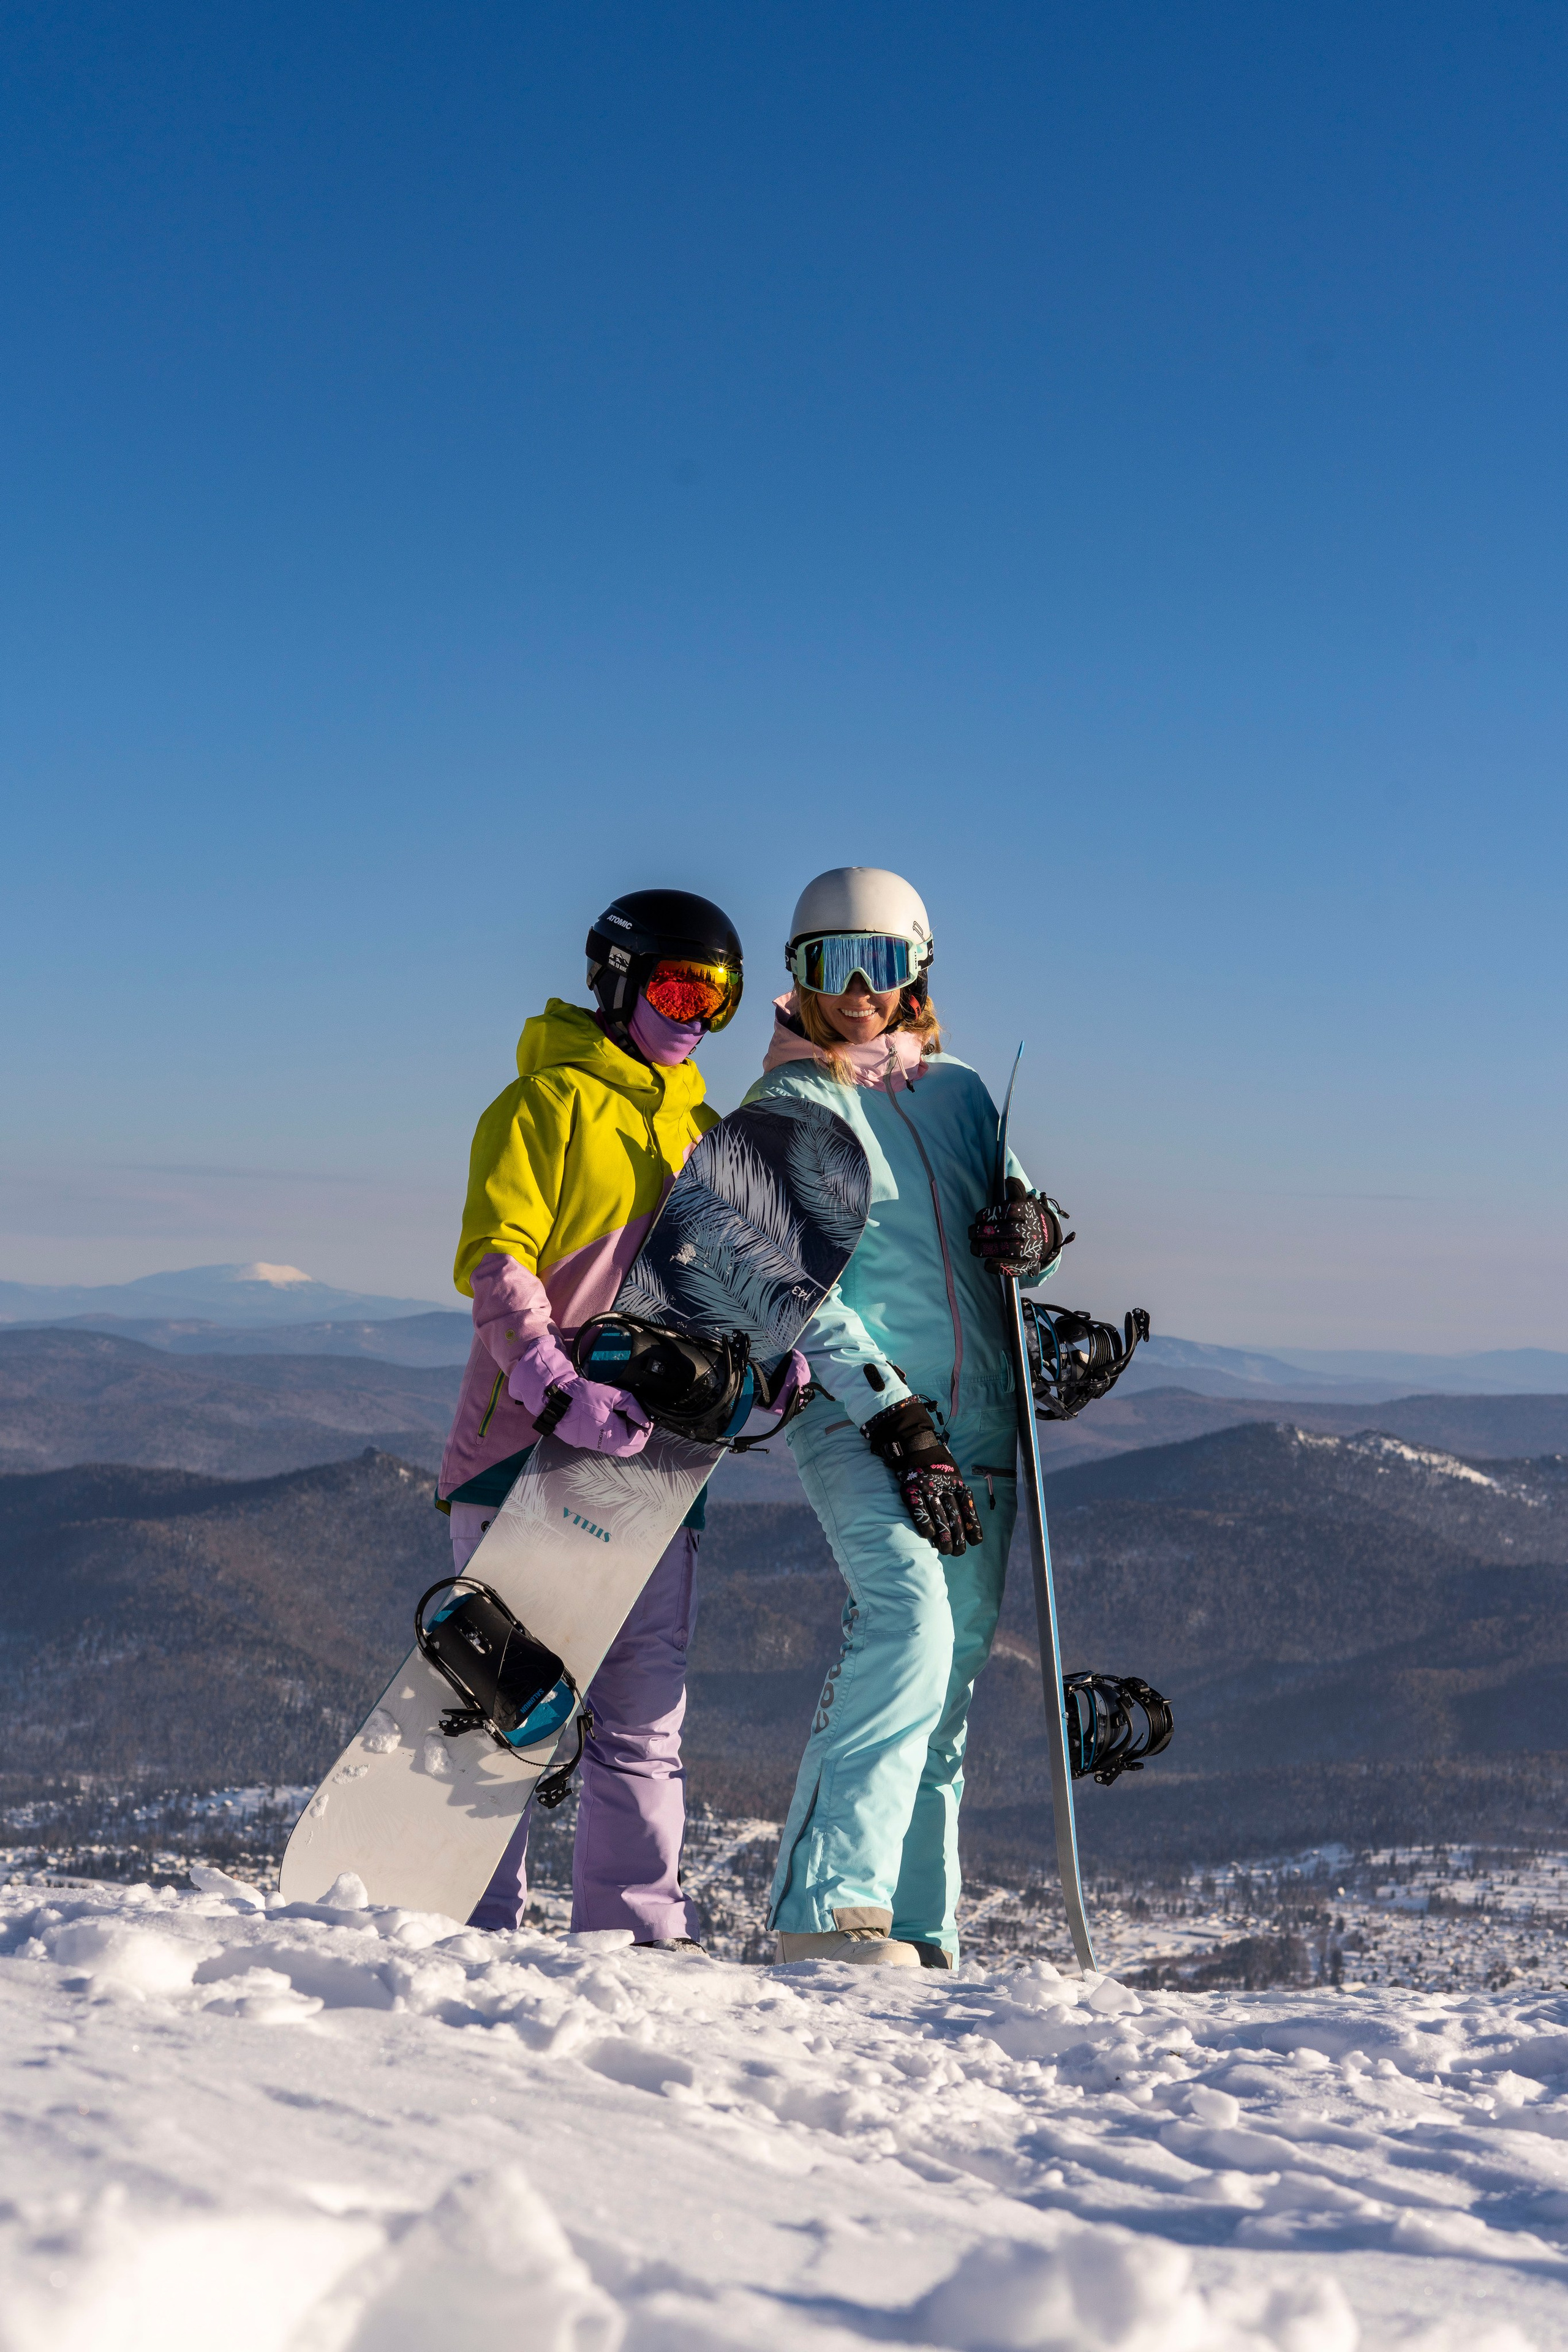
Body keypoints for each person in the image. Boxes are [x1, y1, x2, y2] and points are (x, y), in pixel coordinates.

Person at [744, 867, 1066, 1968]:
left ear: (916, 969)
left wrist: (1037, 1233)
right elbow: (793, 1287)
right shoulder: (786, 1112)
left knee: (951, 1675)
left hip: (981, 1421)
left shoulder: (961, 1094)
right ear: (798, 975)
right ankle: (824, 1909)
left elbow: (1019, 1216)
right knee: (908, 1622)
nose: (856, 991)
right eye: (830, 964)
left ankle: (922, 1929)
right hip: (860, 1416)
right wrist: (896, 1421)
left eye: (879, 963)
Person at [436, 887, 745, 1952]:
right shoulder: (543, 1107)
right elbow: (497, 1261)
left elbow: (737, 1294)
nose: (698, 1016)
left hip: (657, 1471)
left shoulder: (710, 1136)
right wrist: (552, 1381)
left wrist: (765, 1368)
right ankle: (474, 1936)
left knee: (644, 1726)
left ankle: (636, 1939)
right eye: (679, 988)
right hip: (520, 1456)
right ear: (618, 982)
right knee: (507, 1714)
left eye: (718, 997)